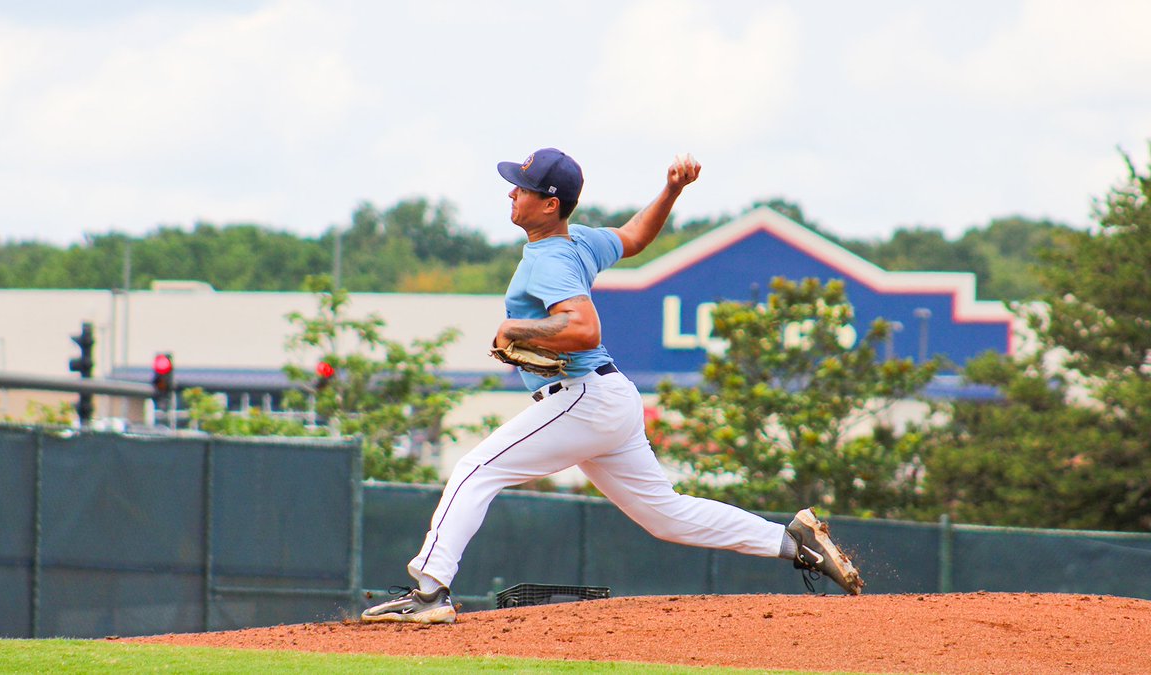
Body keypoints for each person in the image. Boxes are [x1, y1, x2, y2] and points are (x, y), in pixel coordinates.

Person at [361, 148, 863, 624]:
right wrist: (671, 192)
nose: (511, 193)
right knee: (666, 516)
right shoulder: (579, 241)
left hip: (582, 399)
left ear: (549, 203)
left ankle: (429, 592)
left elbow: (585, 329)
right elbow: (635, 237)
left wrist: (516, 330)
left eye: (522, 188)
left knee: (475, 470)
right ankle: (795, 542)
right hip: (609, 399)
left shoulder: (550, 261)